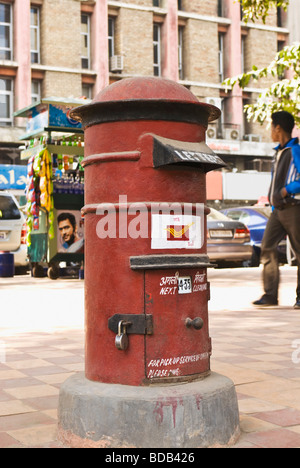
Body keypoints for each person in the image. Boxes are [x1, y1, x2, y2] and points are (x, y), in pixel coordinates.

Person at [253, 111, 300, 309]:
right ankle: (270, 295)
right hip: (277, 210)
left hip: (294, 208)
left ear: (278, 128)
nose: (270, 131)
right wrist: (273, 202)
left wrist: (285, 191)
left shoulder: (296, 151)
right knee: (267, 247)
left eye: (271, 127)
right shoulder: (278, 152)